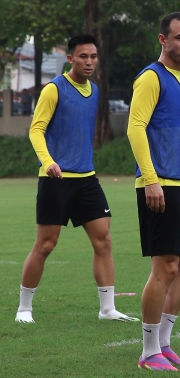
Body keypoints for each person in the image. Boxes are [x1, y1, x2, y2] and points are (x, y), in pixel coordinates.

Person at [15, 34, 135, 324]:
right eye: (83, 56)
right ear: (70, 59)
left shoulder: (94, 91)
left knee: (103, 240)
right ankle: (24, 309)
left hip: (87, 178)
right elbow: (36, 130)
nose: (89, 61)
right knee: (45, 244)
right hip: (55, 178)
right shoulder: (54, 89)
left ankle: (107, 309)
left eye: (93, 56)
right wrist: (49, 161)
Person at [126, 12, 180, 371]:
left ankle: (164, 342)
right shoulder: (151, 77)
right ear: (163, 40)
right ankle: (147, 352)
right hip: (160, 184)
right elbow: (135, 128)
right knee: (166, 268)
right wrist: (151, 178)